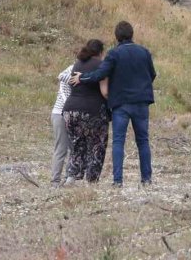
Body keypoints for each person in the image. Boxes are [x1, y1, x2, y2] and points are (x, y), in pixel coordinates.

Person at [71, 21, 156, 187]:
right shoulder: (144, 52)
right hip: (141, 102)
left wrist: (82, 77)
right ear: (132, 34)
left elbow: (100, 74)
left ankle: (118, 181)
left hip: (121, 104)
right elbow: (152, 74)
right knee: (143, 141)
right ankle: (146, 179)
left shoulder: (114, 54)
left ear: (116, 37)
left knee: (119, 141)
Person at [62, 40, 110, 185]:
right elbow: (105, 92)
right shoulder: (102, 66)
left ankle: (71, 177)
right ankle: (91, 181)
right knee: (96, 145)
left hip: (69, 111)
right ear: (101, 52)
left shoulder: (77, 64)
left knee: (77, 145)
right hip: (92, 111)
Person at [49, 62, 74, 187]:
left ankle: (70, 177)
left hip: (73, 115)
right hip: (60, 113)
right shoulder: (72, 68)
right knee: (61, 148)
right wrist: (79, 79)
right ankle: (55, 181)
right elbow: (61, 76)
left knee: (74, 147)